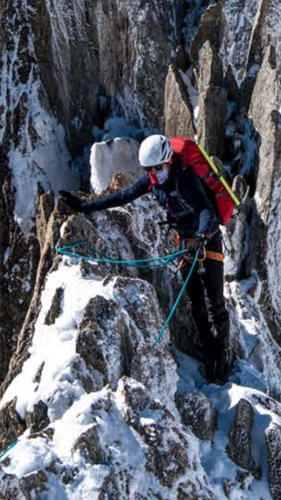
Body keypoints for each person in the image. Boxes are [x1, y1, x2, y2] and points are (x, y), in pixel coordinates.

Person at [60, 133, 239, 383]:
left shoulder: (186, 180)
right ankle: (210, 351)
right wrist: (84, 206)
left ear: (168, 161)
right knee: (196, 303)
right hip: (186, 244)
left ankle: (222, 357)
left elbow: (206, 212)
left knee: (215, 303)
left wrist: (200, 237)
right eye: (149, 170)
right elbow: (123, 196)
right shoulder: (154, 181)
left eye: (157, 168)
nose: (155, 173)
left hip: (206, 243)